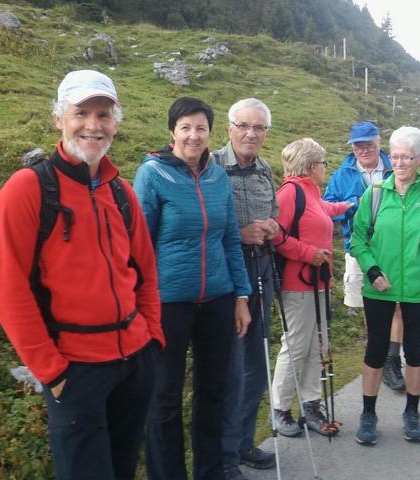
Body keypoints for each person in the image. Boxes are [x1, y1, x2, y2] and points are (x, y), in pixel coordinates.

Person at [0, 69, 164, 479]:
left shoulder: (121, 192)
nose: (93, 125)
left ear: (115, 124)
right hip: (74, 369)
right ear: (58, 119)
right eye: (81, 113)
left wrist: (152, 341)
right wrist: (52, 370)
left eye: (103, 115)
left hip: (134, 361)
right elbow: (8, 290)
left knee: (122, 469)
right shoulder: (26, 190)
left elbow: (145, 273)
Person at [134, 97, 252, 480]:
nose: (193, 135)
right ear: (172, 131)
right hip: (167, 303)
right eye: (185, 127)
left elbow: (230, 238)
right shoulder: (152, 174)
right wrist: (139, 304)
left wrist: (241, 296)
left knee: (214, 390)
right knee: (164, 397)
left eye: (201, 128)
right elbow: (139, 244)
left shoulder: (218, 176)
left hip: (217, 299)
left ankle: (211, 471)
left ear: (210, 132)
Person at [349, 126, 420, 446]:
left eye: (407, 158)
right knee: (375, 350)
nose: (399, 164)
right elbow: (358, 239)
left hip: (419, 286)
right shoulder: (374, 194)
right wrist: (372, 271)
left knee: (415, 350)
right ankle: (368, 414)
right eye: (395, 156)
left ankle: (412, 412)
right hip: (379, 287)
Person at [214, 98, 279, 480]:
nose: (251, 133)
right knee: (229, 367)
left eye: (259, 128)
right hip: (225, 278)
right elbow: (202, 225)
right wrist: (241, 234)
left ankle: (243, 444)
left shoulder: (264, 170)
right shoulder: (210, 167)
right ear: (230, 128)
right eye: (244, 125)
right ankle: (222, 456)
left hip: (262, 271)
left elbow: (275, 213)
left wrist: (272, 226)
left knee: (256, 362)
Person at [271, 138, 350, 438]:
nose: (325, 167)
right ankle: (280, 409)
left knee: (318, 345)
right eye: (323, 163)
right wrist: (308, 253)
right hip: (298, 283)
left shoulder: (310, 192)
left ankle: (311, 405)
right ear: (310, 165)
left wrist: (348, 205)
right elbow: (276, 235)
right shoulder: (290, 192)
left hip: (318, 282)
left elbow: (323, 210)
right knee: (296, 346)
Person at [324, 121, 406, 392]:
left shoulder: (395, 167)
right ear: (352, 147)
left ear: (379, 143)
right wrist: (352, 206)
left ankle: (392, 361)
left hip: (395, 248)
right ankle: (378, 356)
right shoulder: (342, 175)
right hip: (359, 249)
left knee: (397, 305)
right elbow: (328, 207)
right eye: (358, 146)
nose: (364, 150)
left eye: (369, 145)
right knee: (372, 309)